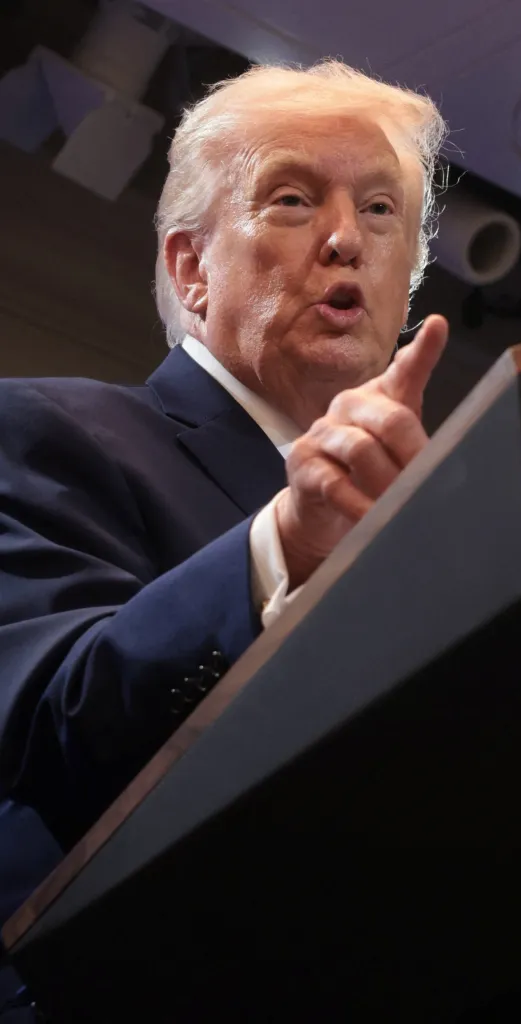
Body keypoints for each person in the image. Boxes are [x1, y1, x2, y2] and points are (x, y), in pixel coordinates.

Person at [0, 58, 449, 1012]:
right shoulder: (45, 431)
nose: (346, 239)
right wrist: (281, 543)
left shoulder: (442, 538)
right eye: (292, 200)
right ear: (191, 267)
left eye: (380, 212)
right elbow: (55, 726)